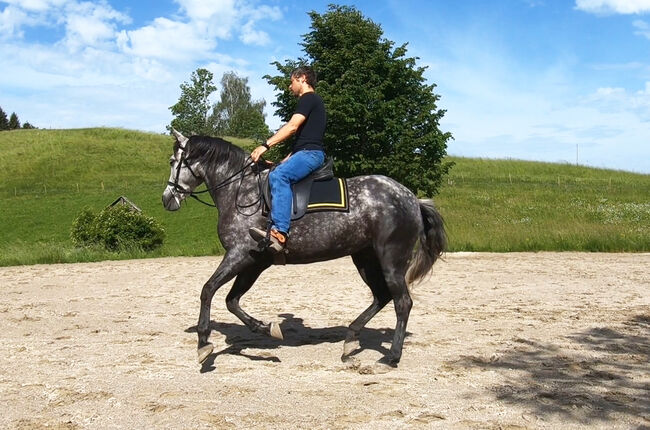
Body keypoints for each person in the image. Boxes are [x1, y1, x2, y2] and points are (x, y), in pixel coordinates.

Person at [249, 66, 326, 252]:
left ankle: (280, 232)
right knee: (276, 171)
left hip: (311, 154)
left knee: (280, 177)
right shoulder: (313, 102)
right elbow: (303, 140)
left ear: (302, 78)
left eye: (291, 82)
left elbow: (292, 127)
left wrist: (264, 145)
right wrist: (280, 162)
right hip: (304, 152)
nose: (290, 87)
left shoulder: (308, 99)